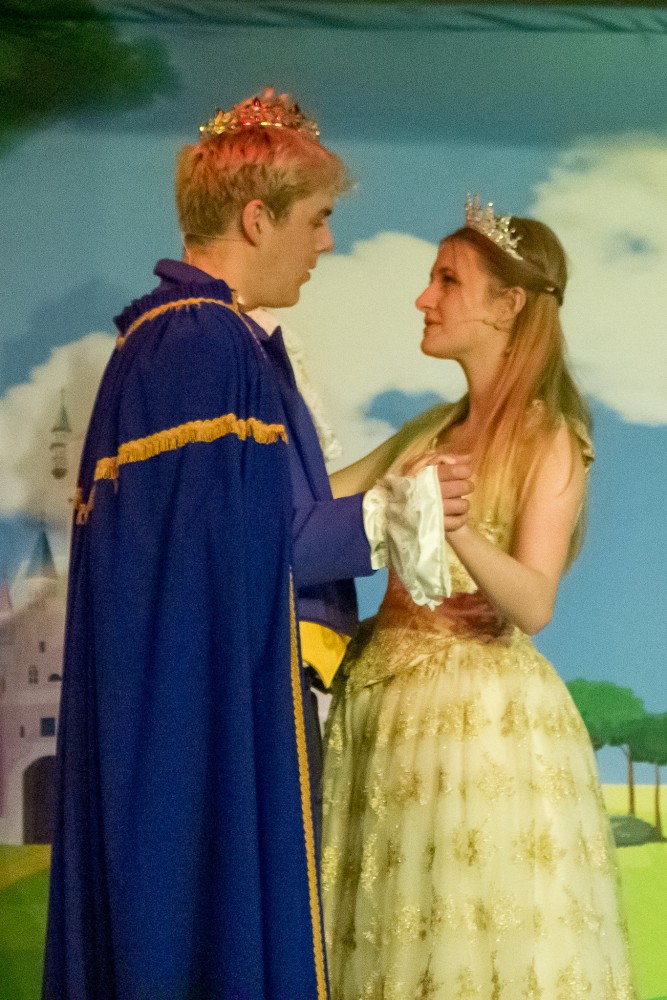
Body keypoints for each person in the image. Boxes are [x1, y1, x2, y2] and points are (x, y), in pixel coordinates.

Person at [43, 90, 468, 1000]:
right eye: (316, 219)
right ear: (255, 217)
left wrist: (400, 469)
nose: (326, 243)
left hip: (193, 705)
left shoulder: (185, 338)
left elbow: (238, 530)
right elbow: (239, 552)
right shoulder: (201, 342)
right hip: (202, 726)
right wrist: (391, 518)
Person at [320, 197, 636, 1000]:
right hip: (383, 712)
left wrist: (453, 528)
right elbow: (315, 502)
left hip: (476, 725)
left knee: (469, 940)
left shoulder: (548, 436)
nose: (423, 298)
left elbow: (533, 602)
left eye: (447, 281)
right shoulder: (427, 429)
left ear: (508, 305)